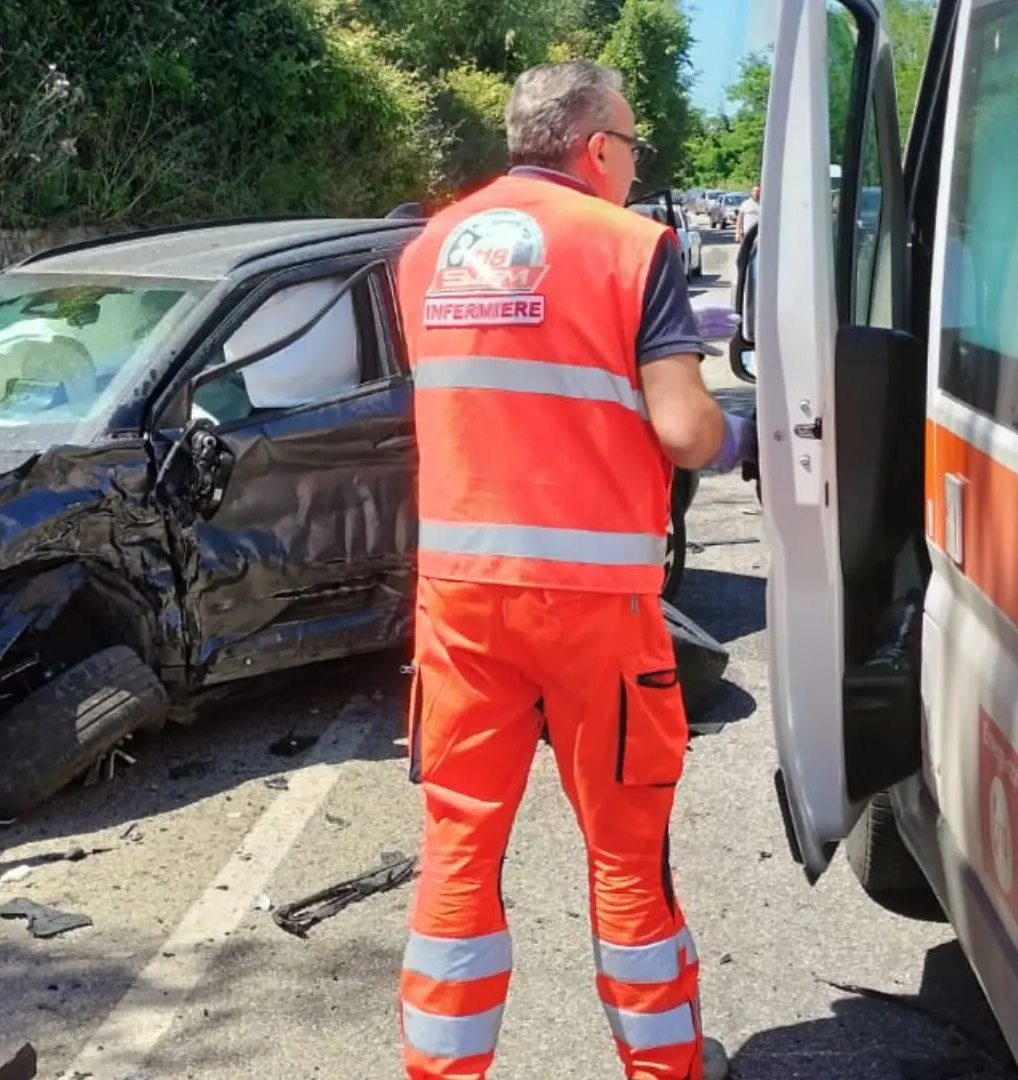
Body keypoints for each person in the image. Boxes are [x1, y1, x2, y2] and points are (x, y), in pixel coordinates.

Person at [394, 59, 755, 1080]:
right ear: (597, 149)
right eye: (634, 147)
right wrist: (754, 440)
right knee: (626, 857)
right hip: (595, 606)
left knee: (459, 849)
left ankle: (441, 1072)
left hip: (461, 600)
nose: (636, 167)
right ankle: (665, 1067)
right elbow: (684, 427)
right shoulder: (635, 246)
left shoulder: (427, 251)